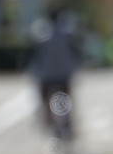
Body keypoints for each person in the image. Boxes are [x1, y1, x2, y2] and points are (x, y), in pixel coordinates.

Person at [29, 7, 82, 140]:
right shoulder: (67, 34)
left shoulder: (43, 36)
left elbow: (35, 57)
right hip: (64, 75)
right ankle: (68, 125)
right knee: (66, 101)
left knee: (45, 99)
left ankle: (47, 119)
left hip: (47, 77)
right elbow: (75, 52)